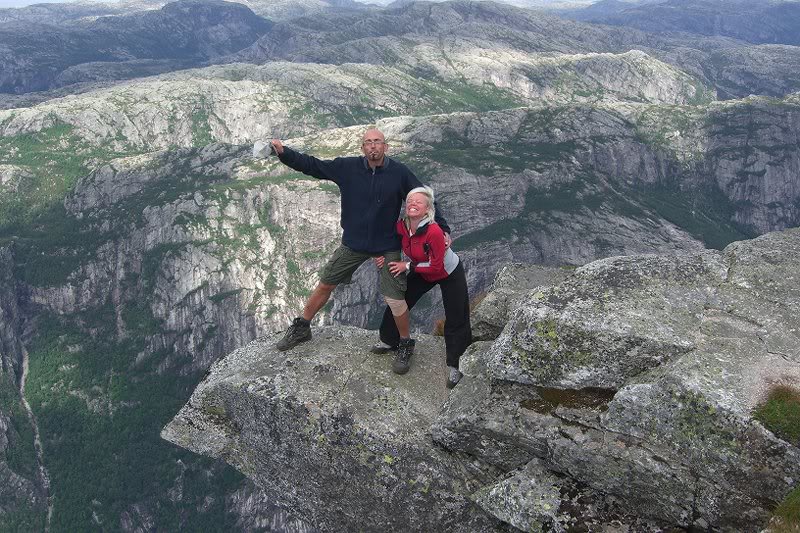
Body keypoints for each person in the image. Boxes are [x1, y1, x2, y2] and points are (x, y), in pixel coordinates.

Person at [269, 129, 451, 366]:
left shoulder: (400, 173)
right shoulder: (347, 168)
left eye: (377, 142)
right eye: (368, 143)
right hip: (353, 243)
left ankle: (405, 343)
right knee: (326, 283)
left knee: (395, 298)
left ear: (385, 147)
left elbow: (424, 197)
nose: (373, 146)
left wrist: (443, 227)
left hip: (386, 245)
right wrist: (284, 153)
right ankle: (302, 326)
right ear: (362, 148)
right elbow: (313, 165)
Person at [373, 186, 471, 388]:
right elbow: (389, 239)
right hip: (423, 270)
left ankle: (456, 365)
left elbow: (436, 266)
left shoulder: (434, 231)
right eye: (410, 201)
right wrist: (382, 254)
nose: (413, 204)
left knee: (456, 315)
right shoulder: (403, 226)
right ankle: (389, 340)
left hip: (449, 271)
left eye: (419, 201)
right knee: (400, 300)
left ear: (428, 209)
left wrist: (406, 265)